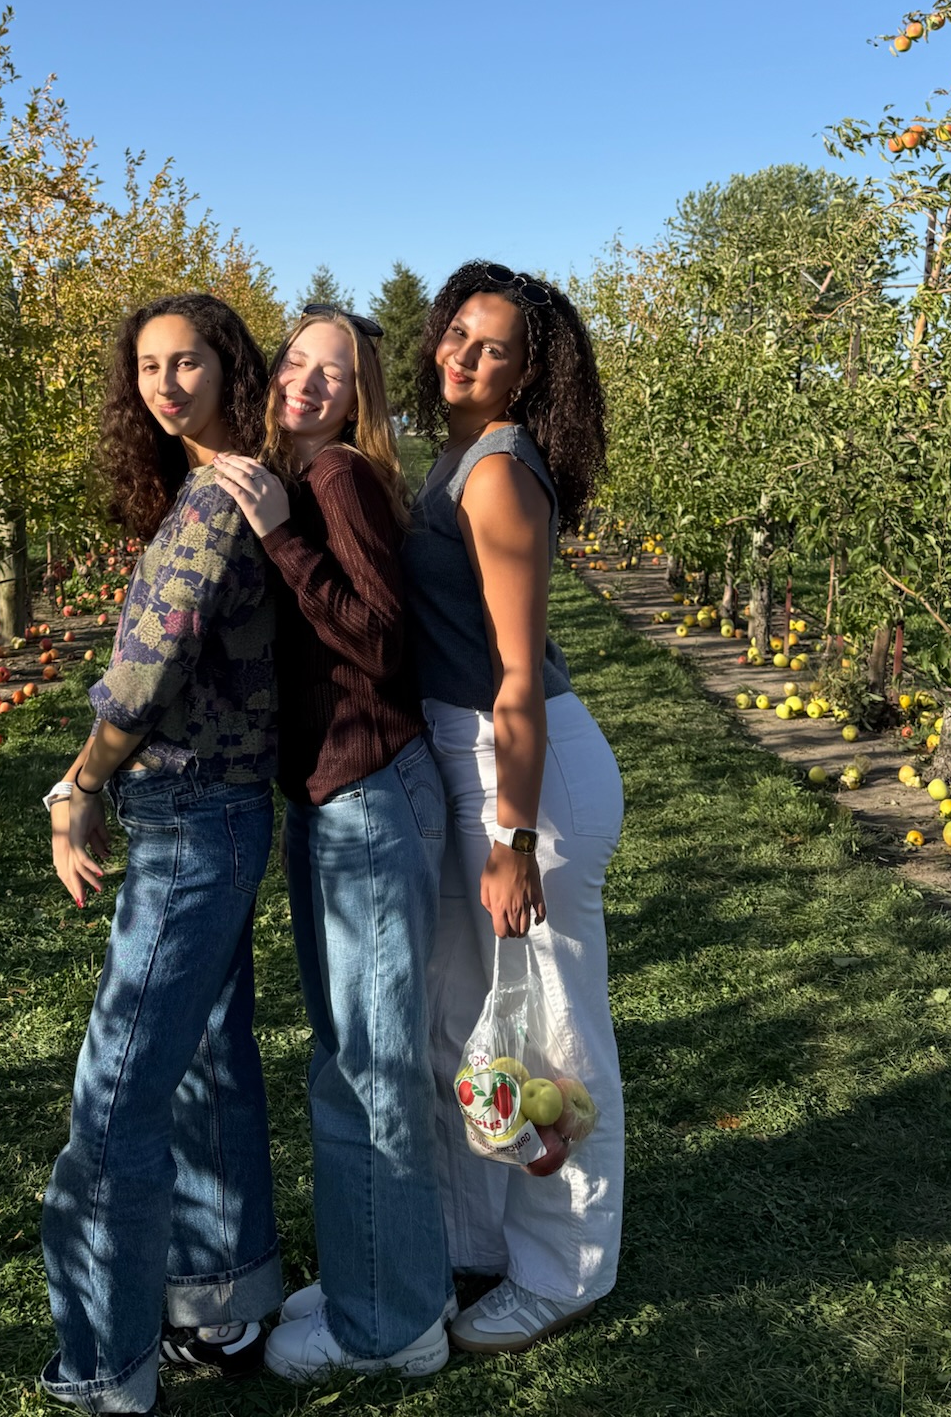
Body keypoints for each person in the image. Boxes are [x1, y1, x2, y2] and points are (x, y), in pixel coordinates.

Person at [39, 294, 282, 1416]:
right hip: (218, 810)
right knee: (205, 1063)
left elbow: (145, 673)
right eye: (147, 365)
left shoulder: (216, 502)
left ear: (229, 368)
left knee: (116, 1098)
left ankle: (105, 1369)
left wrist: (82, 784)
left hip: (189, 818)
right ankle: (224, 1303)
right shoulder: (226, 485)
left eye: (187, 361)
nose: (166, 383)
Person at [211, 304, 452, 1382]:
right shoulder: (299, 477)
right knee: (349, 1058)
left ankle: (390, 1326)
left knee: (371, 1070)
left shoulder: (337, 478)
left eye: (334, 370)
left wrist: (281, 536)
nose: (306, 381)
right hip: (336, 794)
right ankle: (381, 1273)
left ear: (360, 398)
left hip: (367, 794)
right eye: (296, 360)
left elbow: (383, 639)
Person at [403, 260, 624, 1355]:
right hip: (472, 759)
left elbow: (520, 676)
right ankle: (479, 1240)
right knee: (468, 1017)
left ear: (529, 374)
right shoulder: (458, 452)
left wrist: (514, 837)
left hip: (520, 770)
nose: (463, 355)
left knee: (555, 1033)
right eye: (457, 333)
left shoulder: (496, 471)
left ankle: (564, 1269)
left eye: (493, 348)